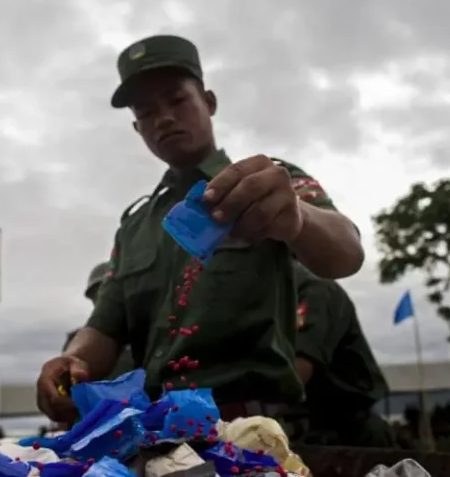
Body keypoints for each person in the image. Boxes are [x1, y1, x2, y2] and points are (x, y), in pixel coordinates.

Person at [37, 34, 364, 425]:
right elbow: (105, 326)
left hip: (249, 432)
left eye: (177, 100)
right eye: (146, 111)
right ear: (138, 128)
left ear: (209, 103)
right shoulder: (135, 226)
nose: (164, 118)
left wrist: (298, 218)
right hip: (157, 430)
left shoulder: (267, 182)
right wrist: (73, 360)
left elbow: (347, 254)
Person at [285, 264, 394, 448]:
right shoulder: (259, 296)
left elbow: (298, 371)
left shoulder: (312, 289)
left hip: (347, 435)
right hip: (305, 430)